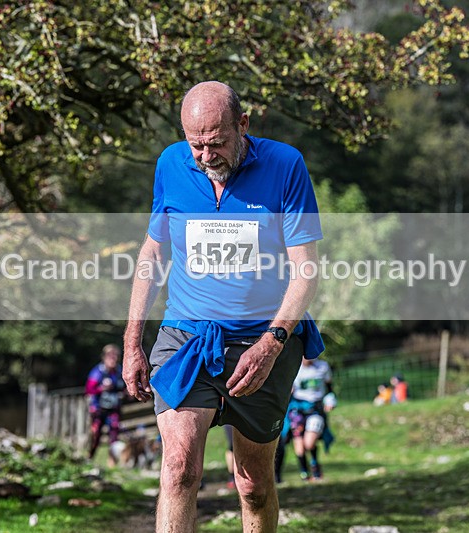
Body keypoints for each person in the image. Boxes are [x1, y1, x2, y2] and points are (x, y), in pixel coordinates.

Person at [122, 80, 324, 532]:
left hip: (263, 341)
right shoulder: (171, 164)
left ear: (242, 124)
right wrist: (132, 341)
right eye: (196, 144)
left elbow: (306, 270)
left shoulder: (285, 165)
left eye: (216, 143)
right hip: (186, 338)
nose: (205, 156)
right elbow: (153, 254)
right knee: (179, 468)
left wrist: (271, 343)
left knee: (253, 484)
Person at [287, 356, 336, 481]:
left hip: (315, 408)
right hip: (297, 409)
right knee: (299, 443)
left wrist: (330, 401)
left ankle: (315, 466)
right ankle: (304, 473)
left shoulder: (322, 367)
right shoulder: (293, 366)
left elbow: (329, 387)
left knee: (309, 443)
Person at [85, 344, 127, 462]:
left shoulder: (119, 371)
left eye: (115, 356)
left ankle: (112, 462)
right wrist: (102, 388)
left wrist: (126, 393)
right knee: (95, 435)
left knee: (114, 434)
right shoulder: (97, 372)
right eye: (110, 356)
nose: (112, 358)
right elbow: (89, 390)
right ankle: (89, 458)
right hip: (99, 409)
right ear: (104, 357)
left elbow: (124, 387)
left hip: (114, 408)